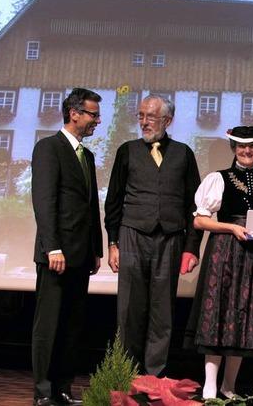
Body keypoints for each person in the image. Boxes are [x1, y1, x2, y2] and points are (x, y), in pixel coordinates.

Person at [183, 125, 253, 399]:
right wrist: (231, 228)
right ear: (234, 149)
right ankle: (209, 385)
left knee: (244, 317)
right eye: (242, 146)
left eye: (252, 146)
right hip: (226, 252)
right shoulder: (218, 179)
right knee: (218, 312)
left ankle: (228, 386)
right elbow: (199, 220)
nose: (247, 151)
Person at [104, 94, 202, 376]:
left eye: (151, 117)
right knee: (130, 311)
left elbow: (194, 206)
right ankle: (126, 374)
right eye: (141, 116)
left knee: (163, 313)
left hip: (170, 238)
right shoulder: (127, 150)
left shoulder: (183, 153)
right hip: (132, 234)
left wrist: (191, 247)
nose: (144, 122)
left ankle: (154, 376)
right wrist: (113, 243)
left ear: (167, 120)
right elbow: (113, 201)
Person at [31, 88, 103, 406]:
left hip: (81, 253)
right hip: (57, 254)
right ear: (74, 113)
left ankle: (62, 388)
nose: (97, 121)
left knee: (72, 325)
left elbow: (90, 207)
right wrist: (53, 248)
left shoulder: (86, 156)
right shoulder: (49, 148)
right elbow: (44, 202)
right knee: (49, 324)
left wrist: (96, 249)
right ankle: (43, 391)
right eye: (93, 114)